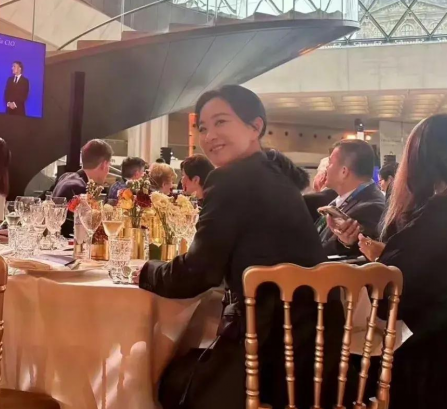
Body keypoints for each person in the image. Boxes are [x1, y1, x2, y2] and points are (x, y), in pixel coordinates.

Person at [137, 85, 342, 409]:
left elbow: (198, 273)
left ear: (255, 126)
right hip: (317, 358)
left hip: (271, 358)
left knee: (159, 377)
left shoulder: (230, 180)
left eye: (221, 122)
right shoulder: (279, 178)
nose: (209, 136)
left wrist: (145, 270)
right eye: (203, 127)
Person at [333, 115, 447, 409]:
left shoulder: (435, 216)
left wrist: (384, 261)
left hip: (431, 367)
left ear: (419, 158)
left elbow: (391, 298)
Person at [318, 140, 385, 257]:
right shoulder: (338, 200)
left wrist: (344, 243)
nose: (326, 168)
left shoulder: (371, 208)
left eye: (330, 163)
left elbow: (359, 250)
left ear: (344, 171)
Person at [52, 139, 112, 236]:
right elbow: (82, 232)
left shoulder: (66, 176)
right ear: (104, 165)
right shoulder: (79, 188)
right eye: (109, 166)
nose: (108, 171)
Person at [303, 156, 336, 222]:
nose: (314, 178)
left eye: (317, 173)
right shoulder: (348, 201)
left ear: (323, 176)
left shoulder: (307, 200)